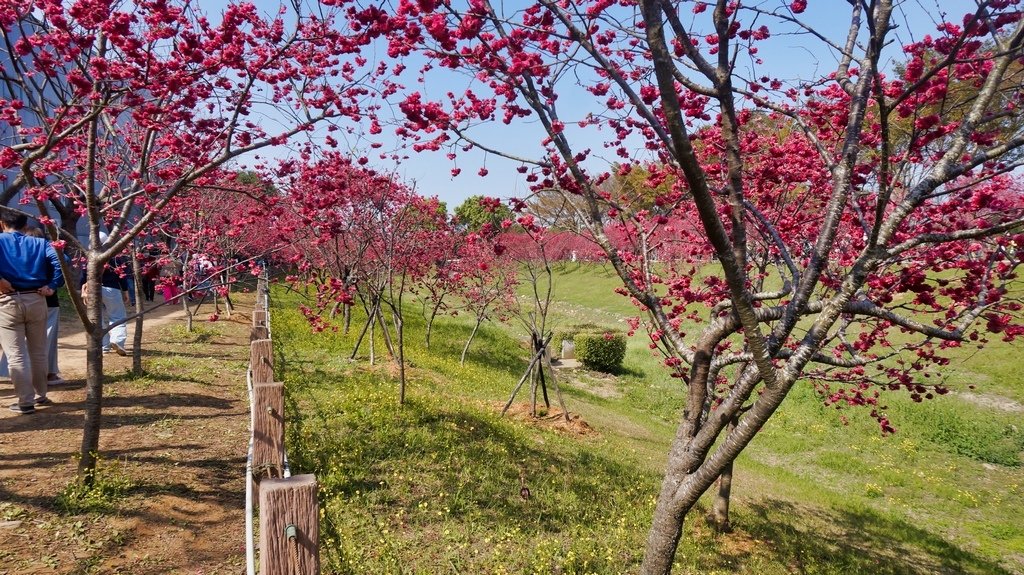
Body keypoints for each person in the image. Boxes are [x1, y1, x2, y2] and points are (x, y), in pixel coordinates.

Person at [0, 212, 64, 415]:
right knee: (38, 352)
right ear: (25, 224)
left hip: (7, 301)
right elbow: (61, 260)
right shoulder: (41, 243)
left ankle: (25, 401)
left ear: (2, 224)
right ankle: (40, 395)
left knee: (16, 354)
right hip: (37, 298)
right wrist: (53, 285)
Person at [81, 232, 129, 356]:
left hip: (93, 290)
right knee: (117, 316)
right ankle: (117, 340)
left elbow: (83, 276)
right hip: (112, 289)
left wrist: (84, 289)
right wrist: (125, 291)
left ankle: (103, 346)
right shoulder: (114, 256)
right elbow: (121, 276)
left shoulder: (89, 256)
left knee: (98, 319)